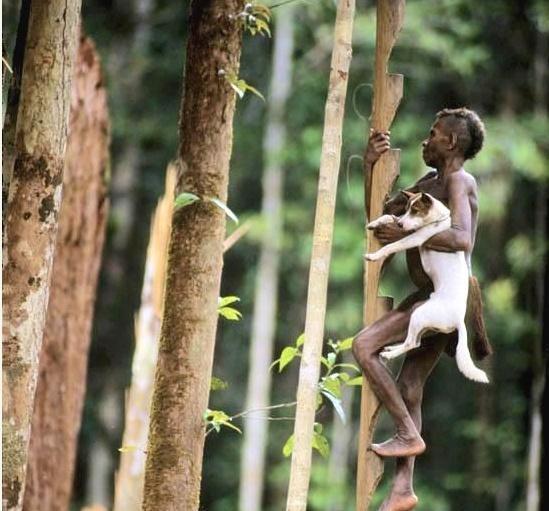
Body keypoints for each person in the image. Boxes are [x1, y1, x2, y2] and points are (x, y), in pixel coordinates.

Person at [352, 107, 492, 511]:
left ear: (450, 142)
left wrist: (410, 233)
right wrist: (369, 164)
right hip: (432, 296)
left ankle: (405, 432)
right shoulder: (428, 184)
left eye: (432, 134)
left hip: (446, 296)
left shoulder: (460, 182)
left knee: (364, 348)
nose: (424, 140)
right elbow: (378, 223)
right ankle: (402, 490)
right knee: (411, 386)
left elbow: (463, 238)